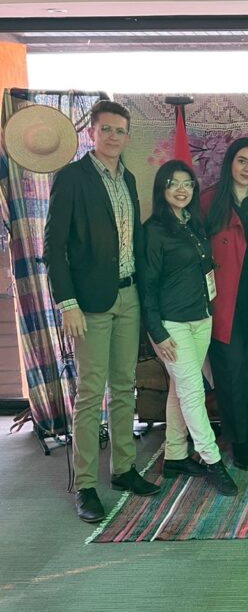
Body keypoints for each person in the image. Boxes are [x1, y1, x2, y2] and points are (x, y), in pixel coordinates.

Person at [44, 98, 160, 523]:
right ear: (91, 132)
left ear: (127, 137)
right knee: (91, 393)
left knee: (125, 385)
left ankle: (124, 469)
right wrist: (67, 303)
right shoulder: (72, 178)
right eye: (106, 129)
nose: (113, 136)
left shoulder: (128, 178)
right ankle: (86, 484)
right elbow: (53, 248)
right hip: (89, 304)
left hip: (129, 297)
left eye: (120, 130)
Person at [143, 161, 237, 496]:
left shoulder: (193, 223)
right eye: (173, 183)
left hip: (201, 319)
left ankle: (175, 455)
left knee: (179, 389)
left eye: (187, 183)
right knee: (193, 391)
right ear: (162, 188)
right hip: (172, 325)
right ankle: (213, 459)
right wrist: (158, 332)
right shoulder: (153, 230)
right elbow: (147, 287)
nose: (181, 190)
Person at [200, 138, 248, 470]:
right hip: (222, 304)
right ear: (230, 163)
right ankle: (236, 438)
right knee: (228, 375)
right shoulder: (208, 201)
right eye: (242, 161)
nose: (247, 168)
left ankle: (247, 432)